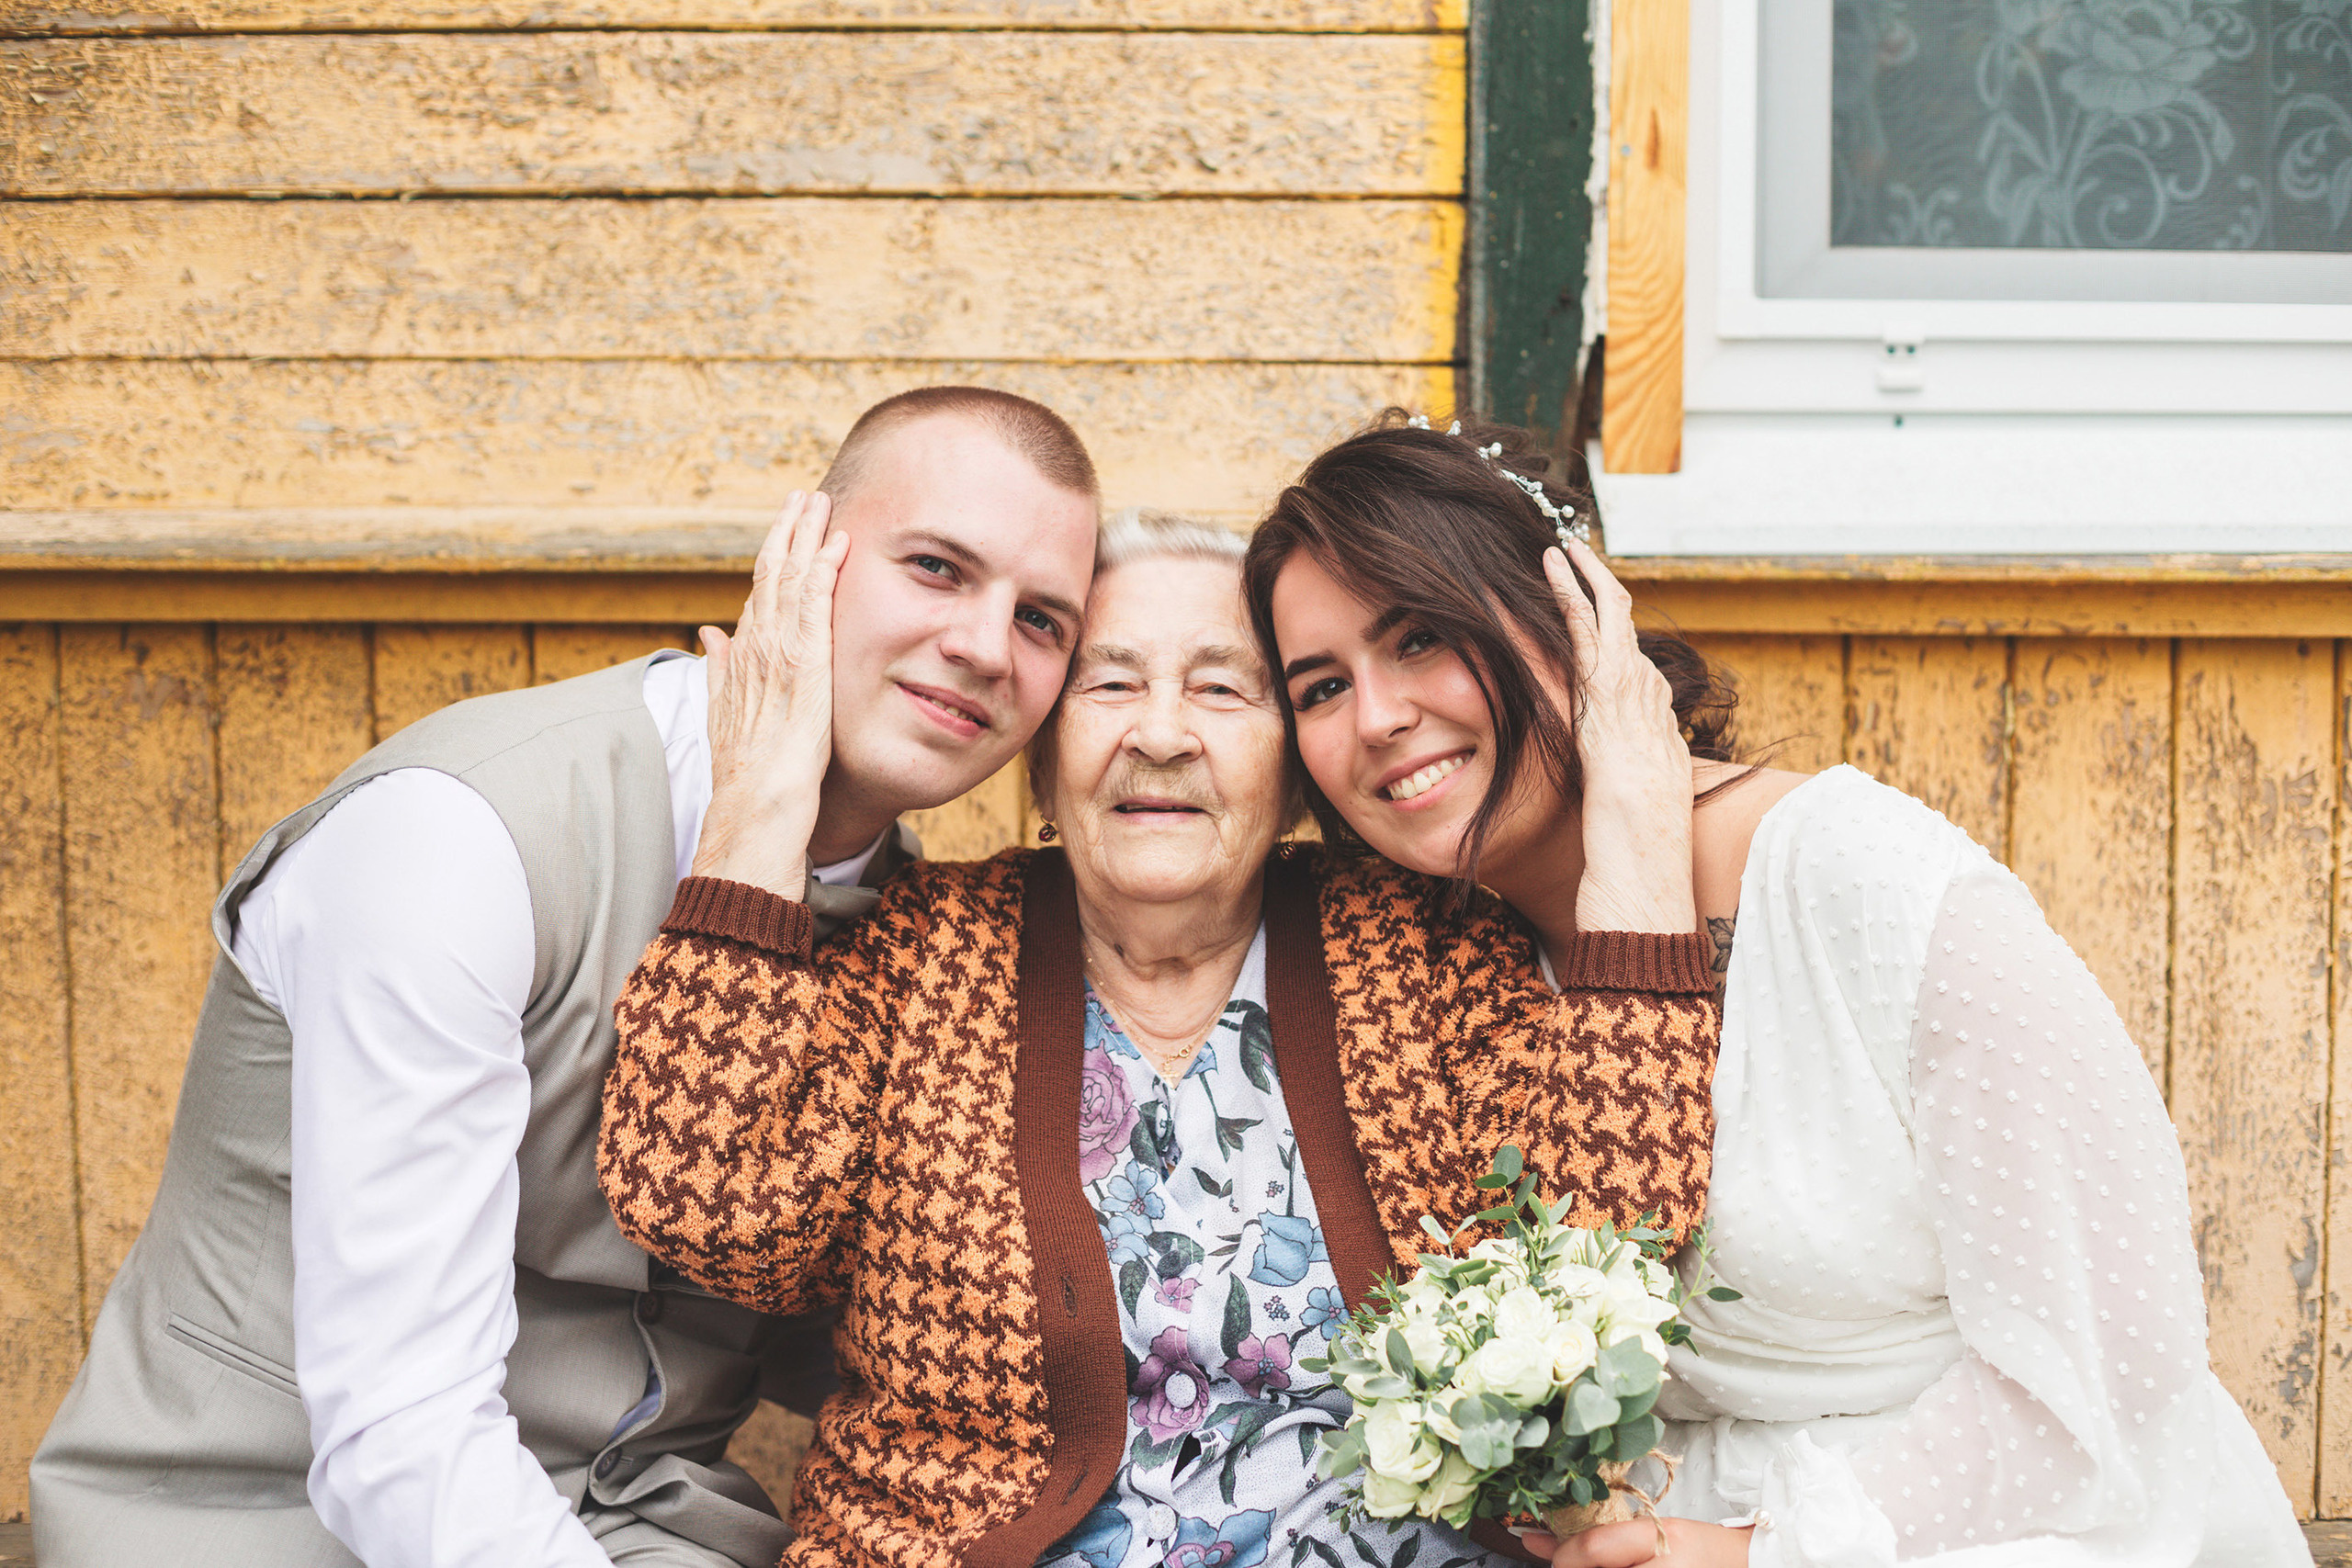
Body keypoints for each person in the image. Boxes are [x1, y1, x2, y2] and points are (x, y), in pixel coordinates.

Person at [30, 387, 1102, 1568]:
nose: (986, 647)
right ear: (804, 557)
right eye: (939, 568)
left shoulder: (921, 939)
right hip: (252, 1514)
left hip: (648, 1521)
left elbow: (898, 1352)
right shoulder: (461, 831)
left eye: (1044, 620)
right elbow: (401, 1425)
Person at [1241, 411, 2309, 1568]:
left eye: (1417, 640)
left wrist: (1762, 1548)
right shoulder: (1427, 969)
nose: (1379, 719)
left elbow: (2116, 1350)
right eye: (1319, 687)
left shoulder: (1858, 875)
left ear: (1574, 617)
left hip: (2021, 1522)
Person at [595, 506, 1722, 1568]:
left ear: (1295, 769)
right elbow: (713, 1215)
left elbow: (1605, 1243)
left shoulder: (1417, 945)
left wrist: (1632, 832)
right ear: (1038, 754)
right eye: (1111, 684)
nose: (1163, 734)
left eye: (1224, 690)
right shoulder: (924, 949)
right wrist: (759, 799)